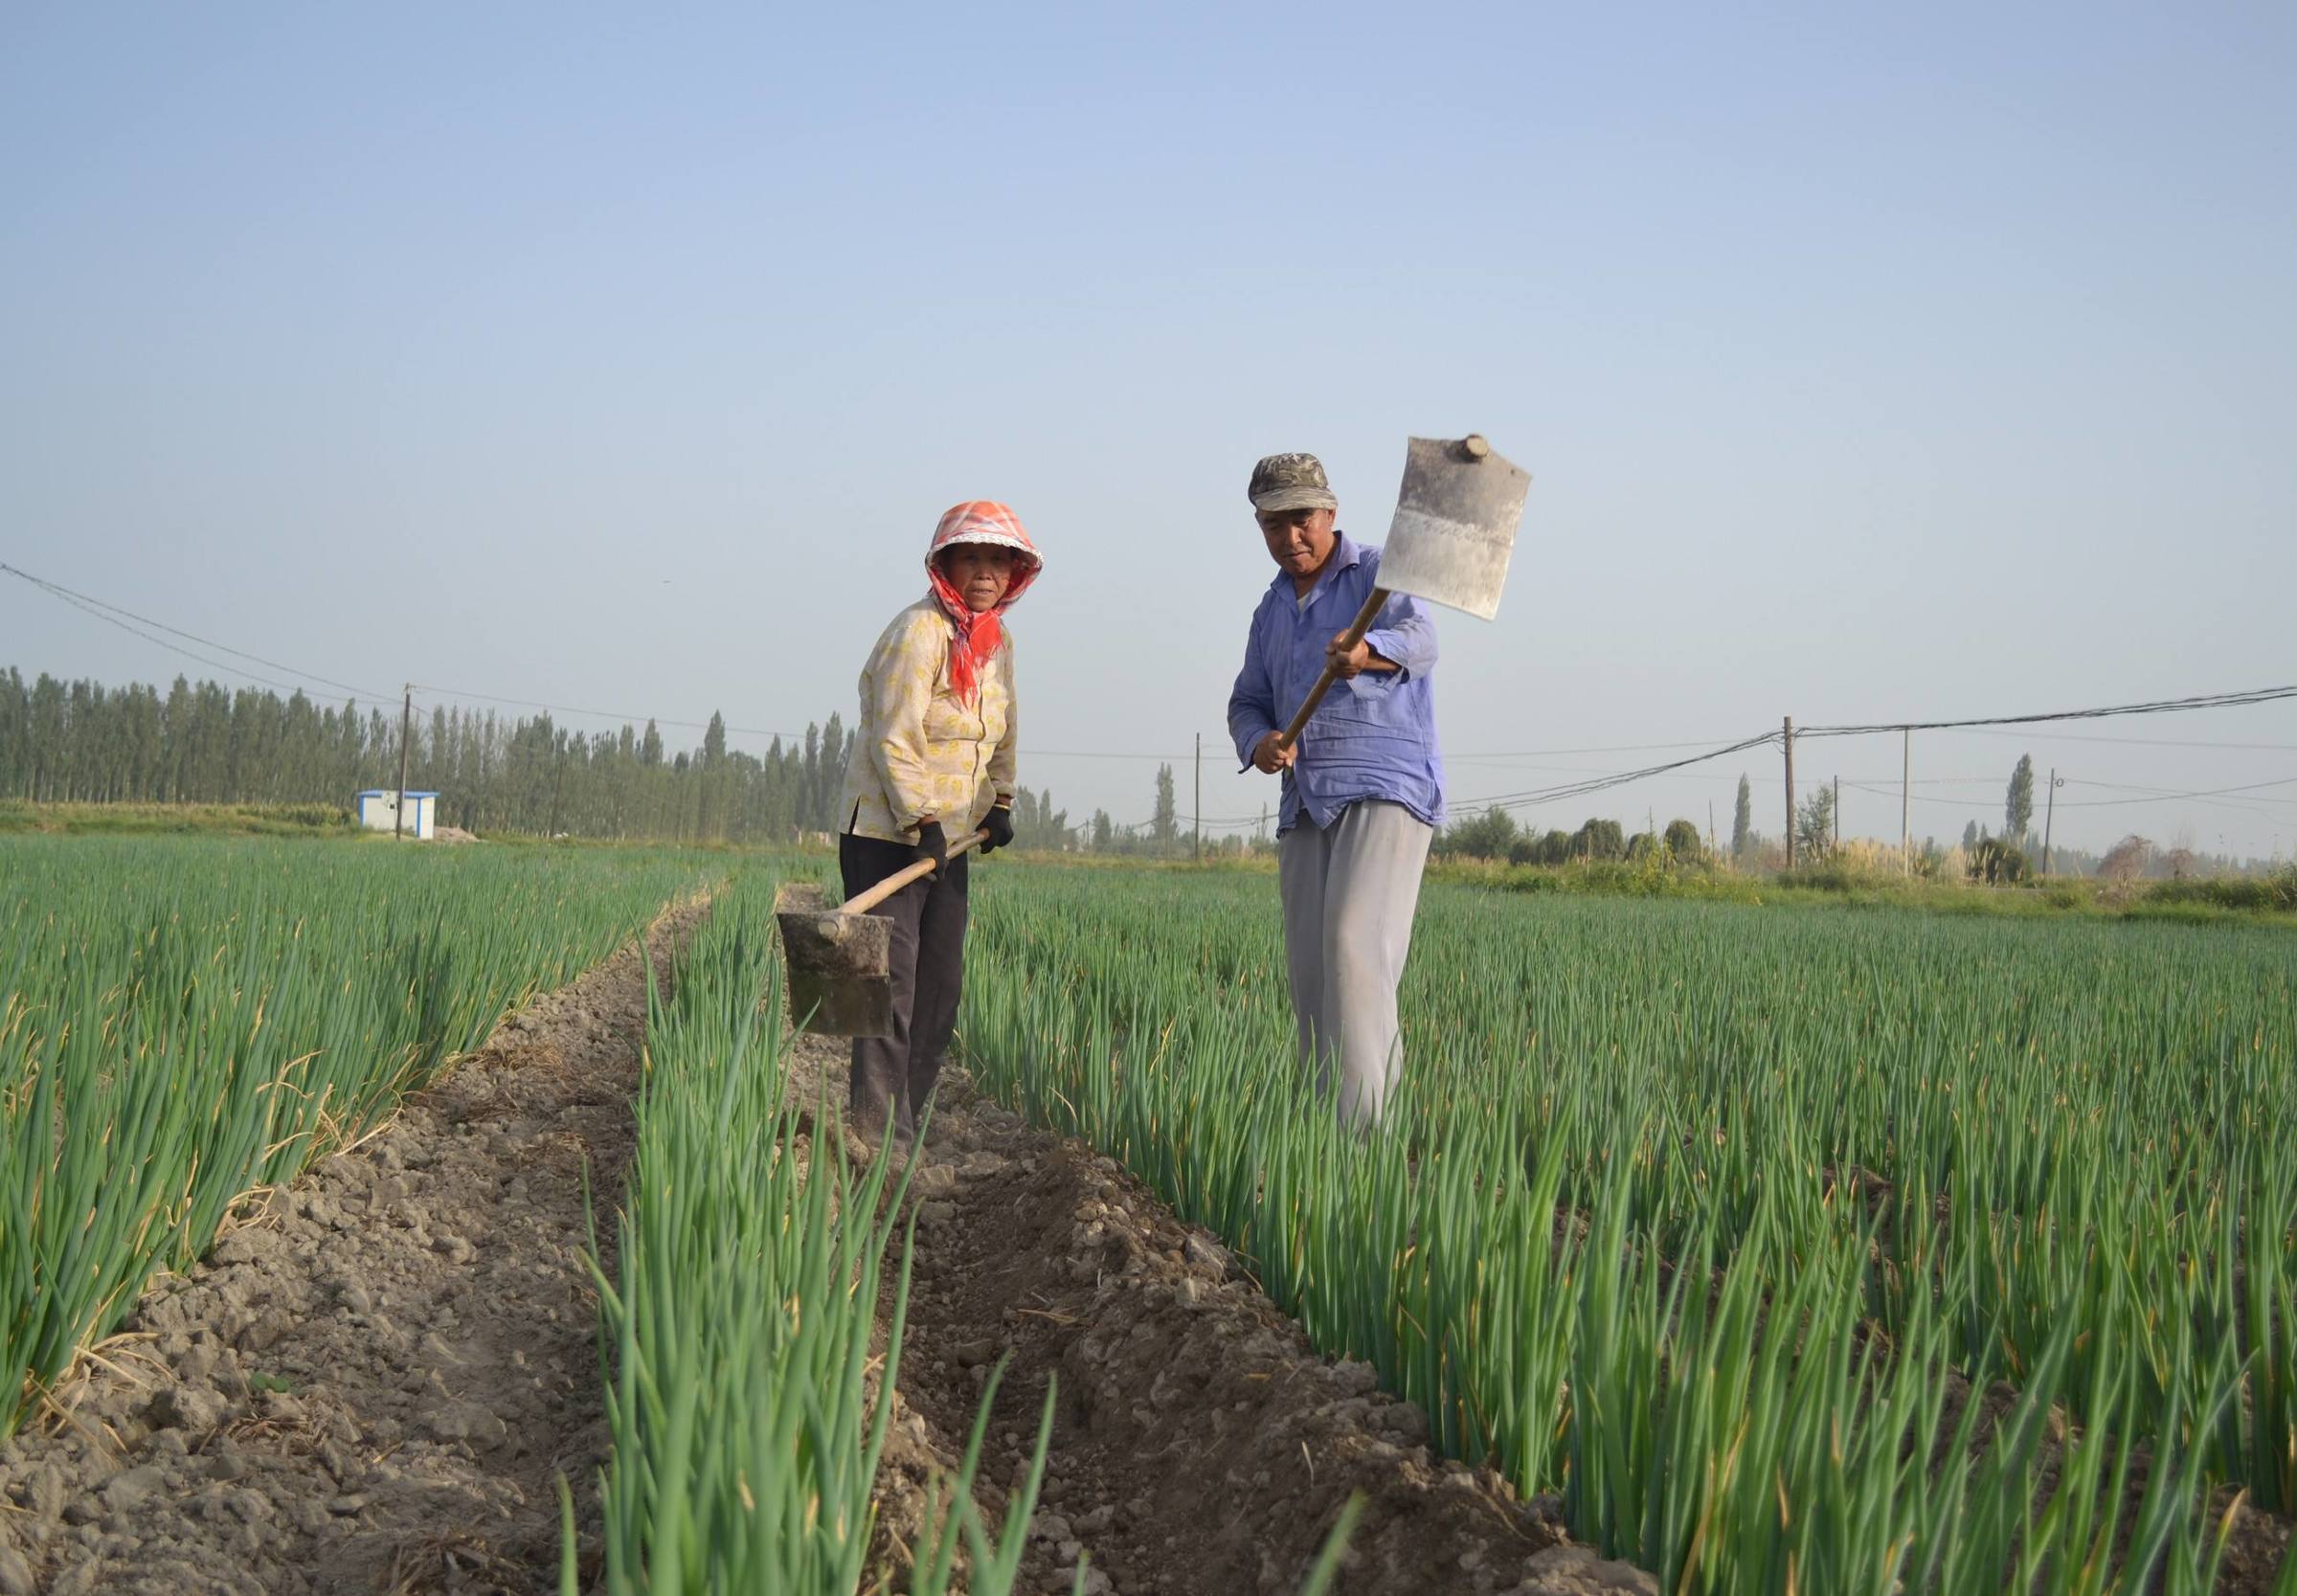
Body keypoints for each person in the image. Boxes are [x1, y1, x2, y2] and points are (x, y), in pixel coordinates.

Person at [1227, 452, 1442, 1125]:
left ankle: (1362, 1142)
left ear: (1330, 513)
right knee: (1316, 973)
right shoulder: (1269, 612)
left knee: (1355, 946)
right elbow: (1246, 702)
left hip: (1381, 784)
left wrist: (1365, 651)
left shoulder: (1379, 573)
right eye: (1273, 524)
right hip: (1304, 798)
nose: (1290, 537)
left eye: (1301, 519)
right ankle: (1333, 1125)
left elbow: (1421, 638)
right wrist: (1260, 742)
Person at [837, 500, 1041, 1147]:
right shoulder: (917, 633)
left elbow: (1001, 727)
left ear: (1014, 572)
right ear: (945, 566)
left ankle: (908, 1120)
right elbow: (894, 736)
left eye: (996, 560)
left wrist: (1000, 800)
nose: (984, 571)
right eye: (971, 558)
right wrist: (918, 815)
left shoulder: (994, 642)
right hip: (887, 835)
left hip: (947, 840)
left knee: (939, 988)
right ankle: (874, 1130)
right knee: (888, 985)